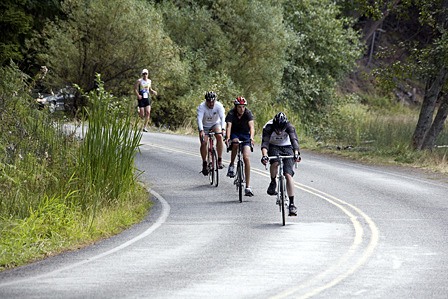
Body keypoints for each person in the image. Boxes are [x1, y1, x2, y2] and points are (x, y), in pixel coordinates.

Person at [260, 112, 301, 216]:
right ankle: (273, 181)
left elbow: (294, 142)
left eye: (281, 130)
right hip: (273, 146)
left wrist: (296, 154)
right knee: (275, 162)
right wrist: (264, 156)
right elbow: (265, 144)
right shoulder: (268, 127)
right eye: (277, 129)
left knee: (288, 175)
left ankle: (292, 204)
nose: (279, 132)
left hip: (287, 147)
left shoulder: (289, 126)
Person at [225, 96, 255, 196]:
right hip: (235, 134)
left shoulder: (248, 113)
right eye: (239, 107)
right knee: (235, 143)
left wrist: (251, 138)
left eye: (243, 107)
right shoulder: (231, 113)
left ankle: (248, 186)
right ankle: (232, 164)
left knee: (246, 158)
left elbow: (252, 127)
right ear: (236, 107)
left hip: (245, 135)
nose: (242, 109)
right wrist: (228, 137)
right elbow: (229, 127)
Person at [197, 91, 226, 175]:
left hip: (215, 124)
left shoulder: (219, 106)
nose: (211, 103)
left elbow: (222, 117)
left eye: (212, 101)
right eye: (209, 101)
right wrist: (201, 130)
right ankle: (205, 162)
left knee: (219, 136)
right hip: (204, 126)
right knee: (204, 142)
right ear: (206, 101)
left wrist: (223, 129)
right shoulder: (201, 107)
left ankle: (219, 159)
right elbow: (199, 119)